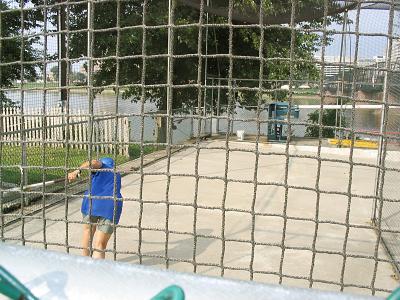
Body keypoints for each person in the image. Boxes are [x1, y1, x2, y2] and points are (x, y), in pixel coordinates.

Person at [68, 157, 123, 259]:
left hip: (91, 203)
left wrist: (76, 171)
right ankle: (96, 271)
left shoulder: (102, 166)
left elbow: (94, 162)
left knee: (87, 232)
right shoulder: (116, 174)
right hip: (111, 207)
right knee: (100, 246)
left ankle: (85, 262)